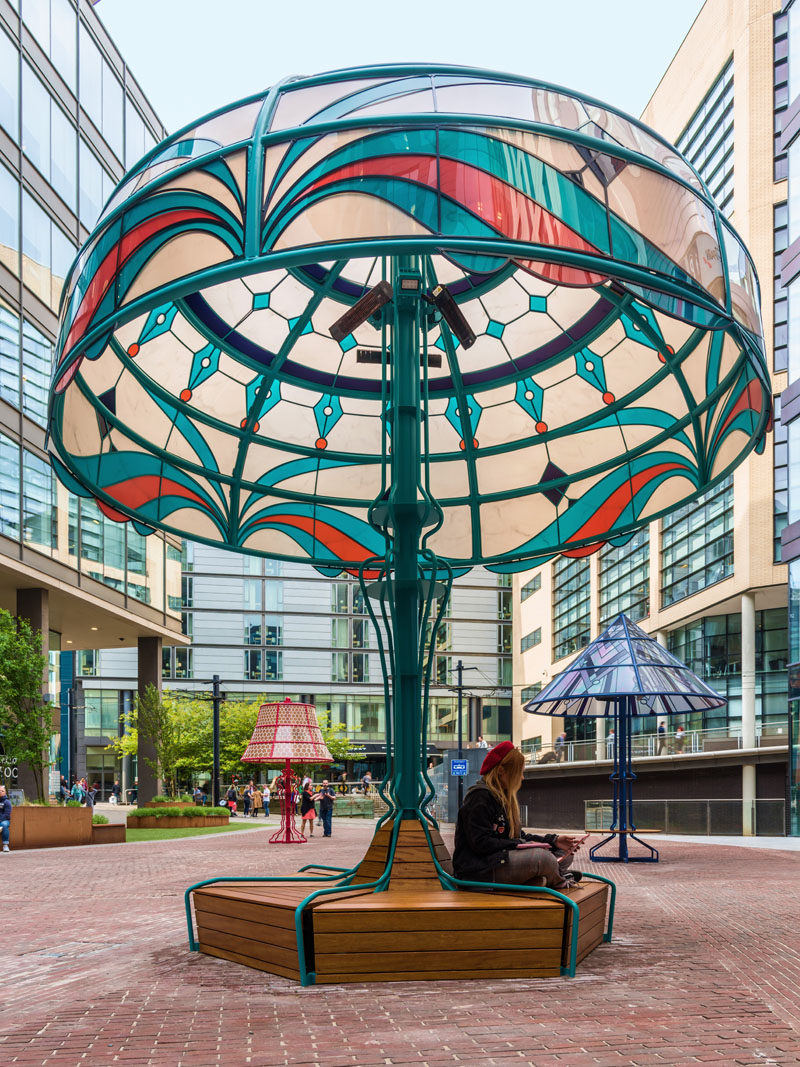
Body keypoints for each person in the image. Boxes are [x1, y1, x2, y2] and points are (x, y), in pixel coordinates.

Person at [453, 742, 584, 890]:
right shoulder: (479, 797)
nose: (522, 777)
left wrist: (554, 841)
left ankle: (546, 877)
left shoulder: (502, 798)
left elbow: (518, 836)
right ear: (501, 770)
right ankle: (558, 878)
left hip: (498, 862)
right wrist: (519, 844)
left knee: (565, 853)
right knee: (542, 858)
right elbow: (481, 844)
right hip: (480, 871)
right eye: (519, 772)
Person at [0, 784, 12, 852]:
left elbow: (7, 814)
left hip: (4, 820)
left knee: (4, 825)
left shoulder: (7, 802)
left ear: (5, 792)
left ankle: (5, 845)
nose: (0, 792)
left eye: (2, 791)